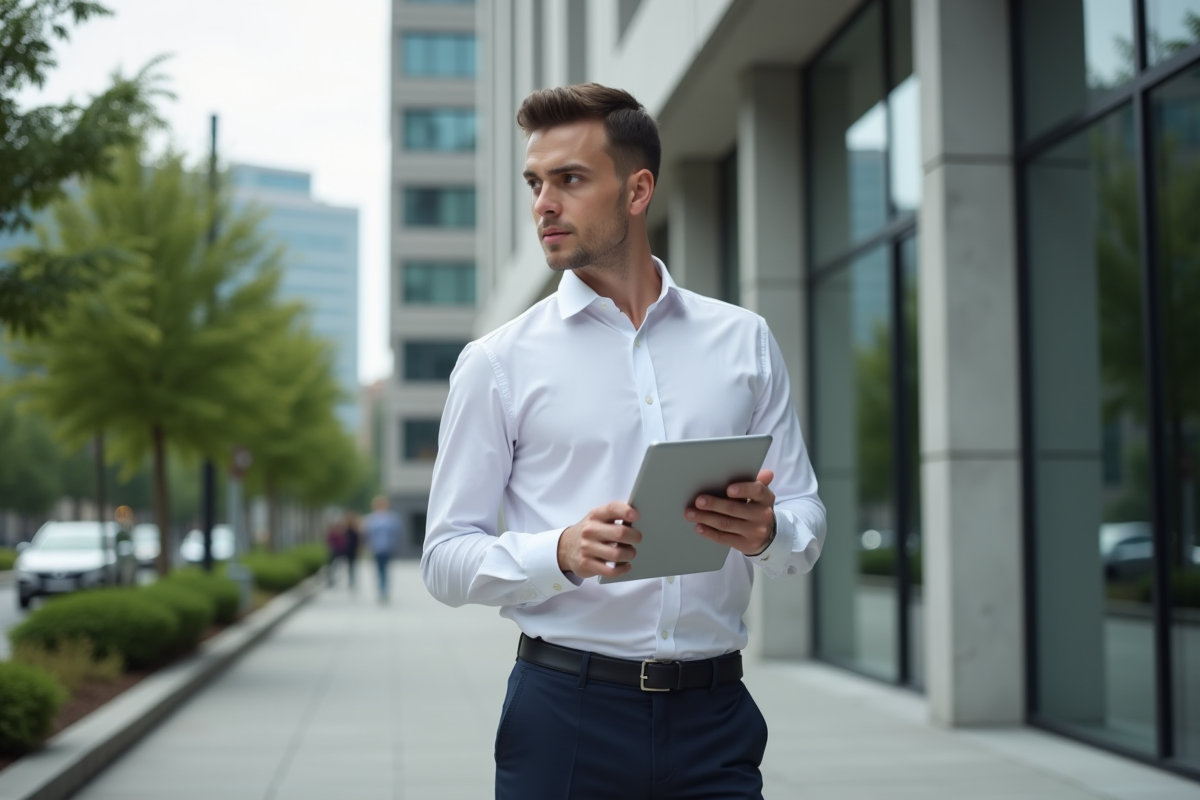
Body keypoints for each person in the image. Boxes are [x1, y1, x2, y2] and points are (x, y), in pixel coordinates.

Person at [422, 83, 826, 799]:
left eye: (570, 180)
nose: (544, 203)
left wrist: (767, 532)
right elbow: (445, 558)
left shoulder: (743, 341)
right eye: (535, 183)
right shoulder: (497, 363)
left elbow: (806, 527)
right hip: (566, 718)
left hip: (716, 720)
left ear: (638, 191)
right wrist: (560, 551)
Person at [364, 496, 402, 603]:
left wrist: (396, 546)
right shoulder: (371, 519)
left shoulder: (392, 518)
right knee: (379, 570)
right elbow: (368, 535)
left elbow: (397, 534)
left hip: (388, 548)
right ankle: (381, 591)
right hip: (376, 548)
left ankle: (384, 591)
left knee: (386, 570)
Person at [342, 512, 362, 591]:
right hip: (351, 550)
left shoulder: (349, 531)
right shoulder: (352, 530)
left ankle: (352, 580)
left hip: (350, 550)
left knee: (351, 566)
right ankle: (352, 580)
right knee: (352, 566)